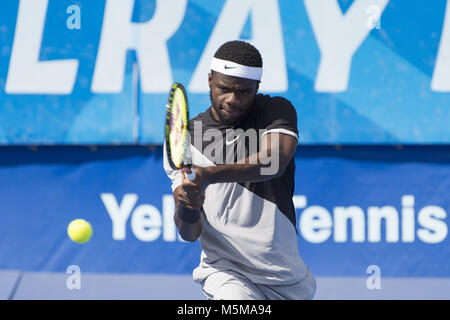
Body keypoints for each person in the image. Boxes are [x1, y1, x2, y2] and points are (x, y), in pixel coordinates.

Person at [163, 40, 316, 300]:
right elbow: (190, 234)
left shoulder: (275, 111)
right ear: (210, 80)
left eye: (244, 92)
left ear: (257, 88)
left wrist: (209, 175)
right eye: (224, 88)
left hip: (287, 280)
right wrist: (186, 207)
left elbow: (274, 161)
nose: (233, 100)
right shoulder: (185, 138)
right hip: (227, 274)